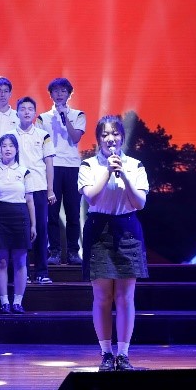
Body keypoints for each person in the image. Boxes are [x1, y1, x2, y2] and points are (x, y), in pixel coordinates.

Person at [79, 115, 149, 372]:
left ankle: (124, 354)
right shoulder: (88, 165)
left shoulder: (135, 165)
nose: (110, 138)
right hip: (99, 229)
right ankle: (106, 353)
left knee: (125, 297)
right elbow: (91, 198)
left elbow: (139, 203)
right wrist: (108, 170)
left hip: (127, 229)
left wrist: (124, 175)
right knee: (102, 296)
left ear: (122, 137)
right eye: (105, 134)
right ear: (99, 139)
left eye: (115, 134)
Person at [0, 134, 41, 314]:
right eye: (4, 146)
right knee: (1, 261)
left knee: (20, 261)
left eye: (11, 145)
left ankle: (18, 301)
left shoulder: (25, 172)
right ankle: (4, 301)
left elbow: (30, 200)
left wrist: (33, 225)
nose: (7, 149)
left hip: (20, 216)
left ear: (16, 149)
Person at [40, 78, 87, 265]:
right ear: (50, 94)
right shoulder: (43, 118)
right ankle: (55, 252)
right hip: (51, 167)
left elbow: (75, 138)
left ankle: (74, 252)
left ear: (69, 94)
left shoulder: (78, 115)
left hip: (72, 167)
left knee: (73, 212)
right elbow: (39, 145)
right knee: (52, 213)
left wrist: (64, 117)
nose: (59, 94)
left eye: (63, 91)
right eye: (56, 91)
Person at [14, 97, 57, 284]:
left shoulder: (43, 135)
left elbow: (49, 163)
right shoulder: (10, 136)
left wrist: (50, 190)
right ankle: (21, 272)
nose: (26, 112)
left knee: (40, 229)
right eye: (22, 109)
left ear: (34, 113)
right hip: (17, 189)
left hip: (38, 187)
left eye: (30, 109)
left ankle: (42, 272)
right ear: (17, 112)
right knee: (20, 230)